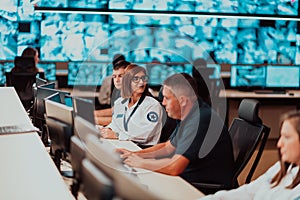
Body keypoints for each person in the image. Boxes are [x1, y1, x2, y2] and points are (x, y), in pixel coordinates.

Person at [117, 73, 234, 188]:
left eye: (167, 98)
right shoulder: (189, 112)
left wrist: (141, 163)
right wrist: (135, 155)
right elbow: (168, 147)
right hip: (188, 178)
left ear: (182, 100)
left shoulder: (200, 120)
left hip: (202, 187)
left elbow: (174, 167)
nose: (163, 103)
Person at [200, 110, 300, 199]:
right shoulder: (280, 168)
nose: (279, 144)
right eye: (280, 136)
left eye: (287, 137)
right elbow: (249, 192)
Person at [100, 64, 163, 147]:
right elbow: (116, 124)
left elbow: (145, 134)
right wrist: (107, 129)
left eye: (143, 78)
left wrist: (117, 135)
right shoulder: (120, 102)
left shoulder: (153, 105)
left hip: (142, 149)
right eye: (136, 79)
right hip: (124, 144)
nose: (141, 82)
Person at [95, 55, 130, 126]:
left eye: (120, 76)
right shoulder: (122, 96)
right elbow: (115, 110)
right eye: (114, 76)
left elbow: (123, 121)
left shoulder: (135, 94)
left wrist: (93, 119)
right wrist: (92, 114)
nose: (116, 80)